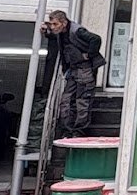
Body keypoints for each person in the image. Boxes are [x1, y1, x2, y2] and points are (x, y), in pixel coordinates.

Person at [43, 10, 105, 138]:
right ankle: (68, 130)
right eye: (51, 24)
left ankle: (79, 131)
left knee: (82, 101)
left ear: (64, 23)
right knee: (66, 101)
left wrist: (89, 55)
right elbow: (58, 38)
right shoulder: (62, 32)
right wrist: (47, 32)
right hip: (73, 69)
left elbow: (96, 39)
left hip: (85, 69)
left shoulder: (77, 30)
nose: (53, 27)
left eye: (55, 24)